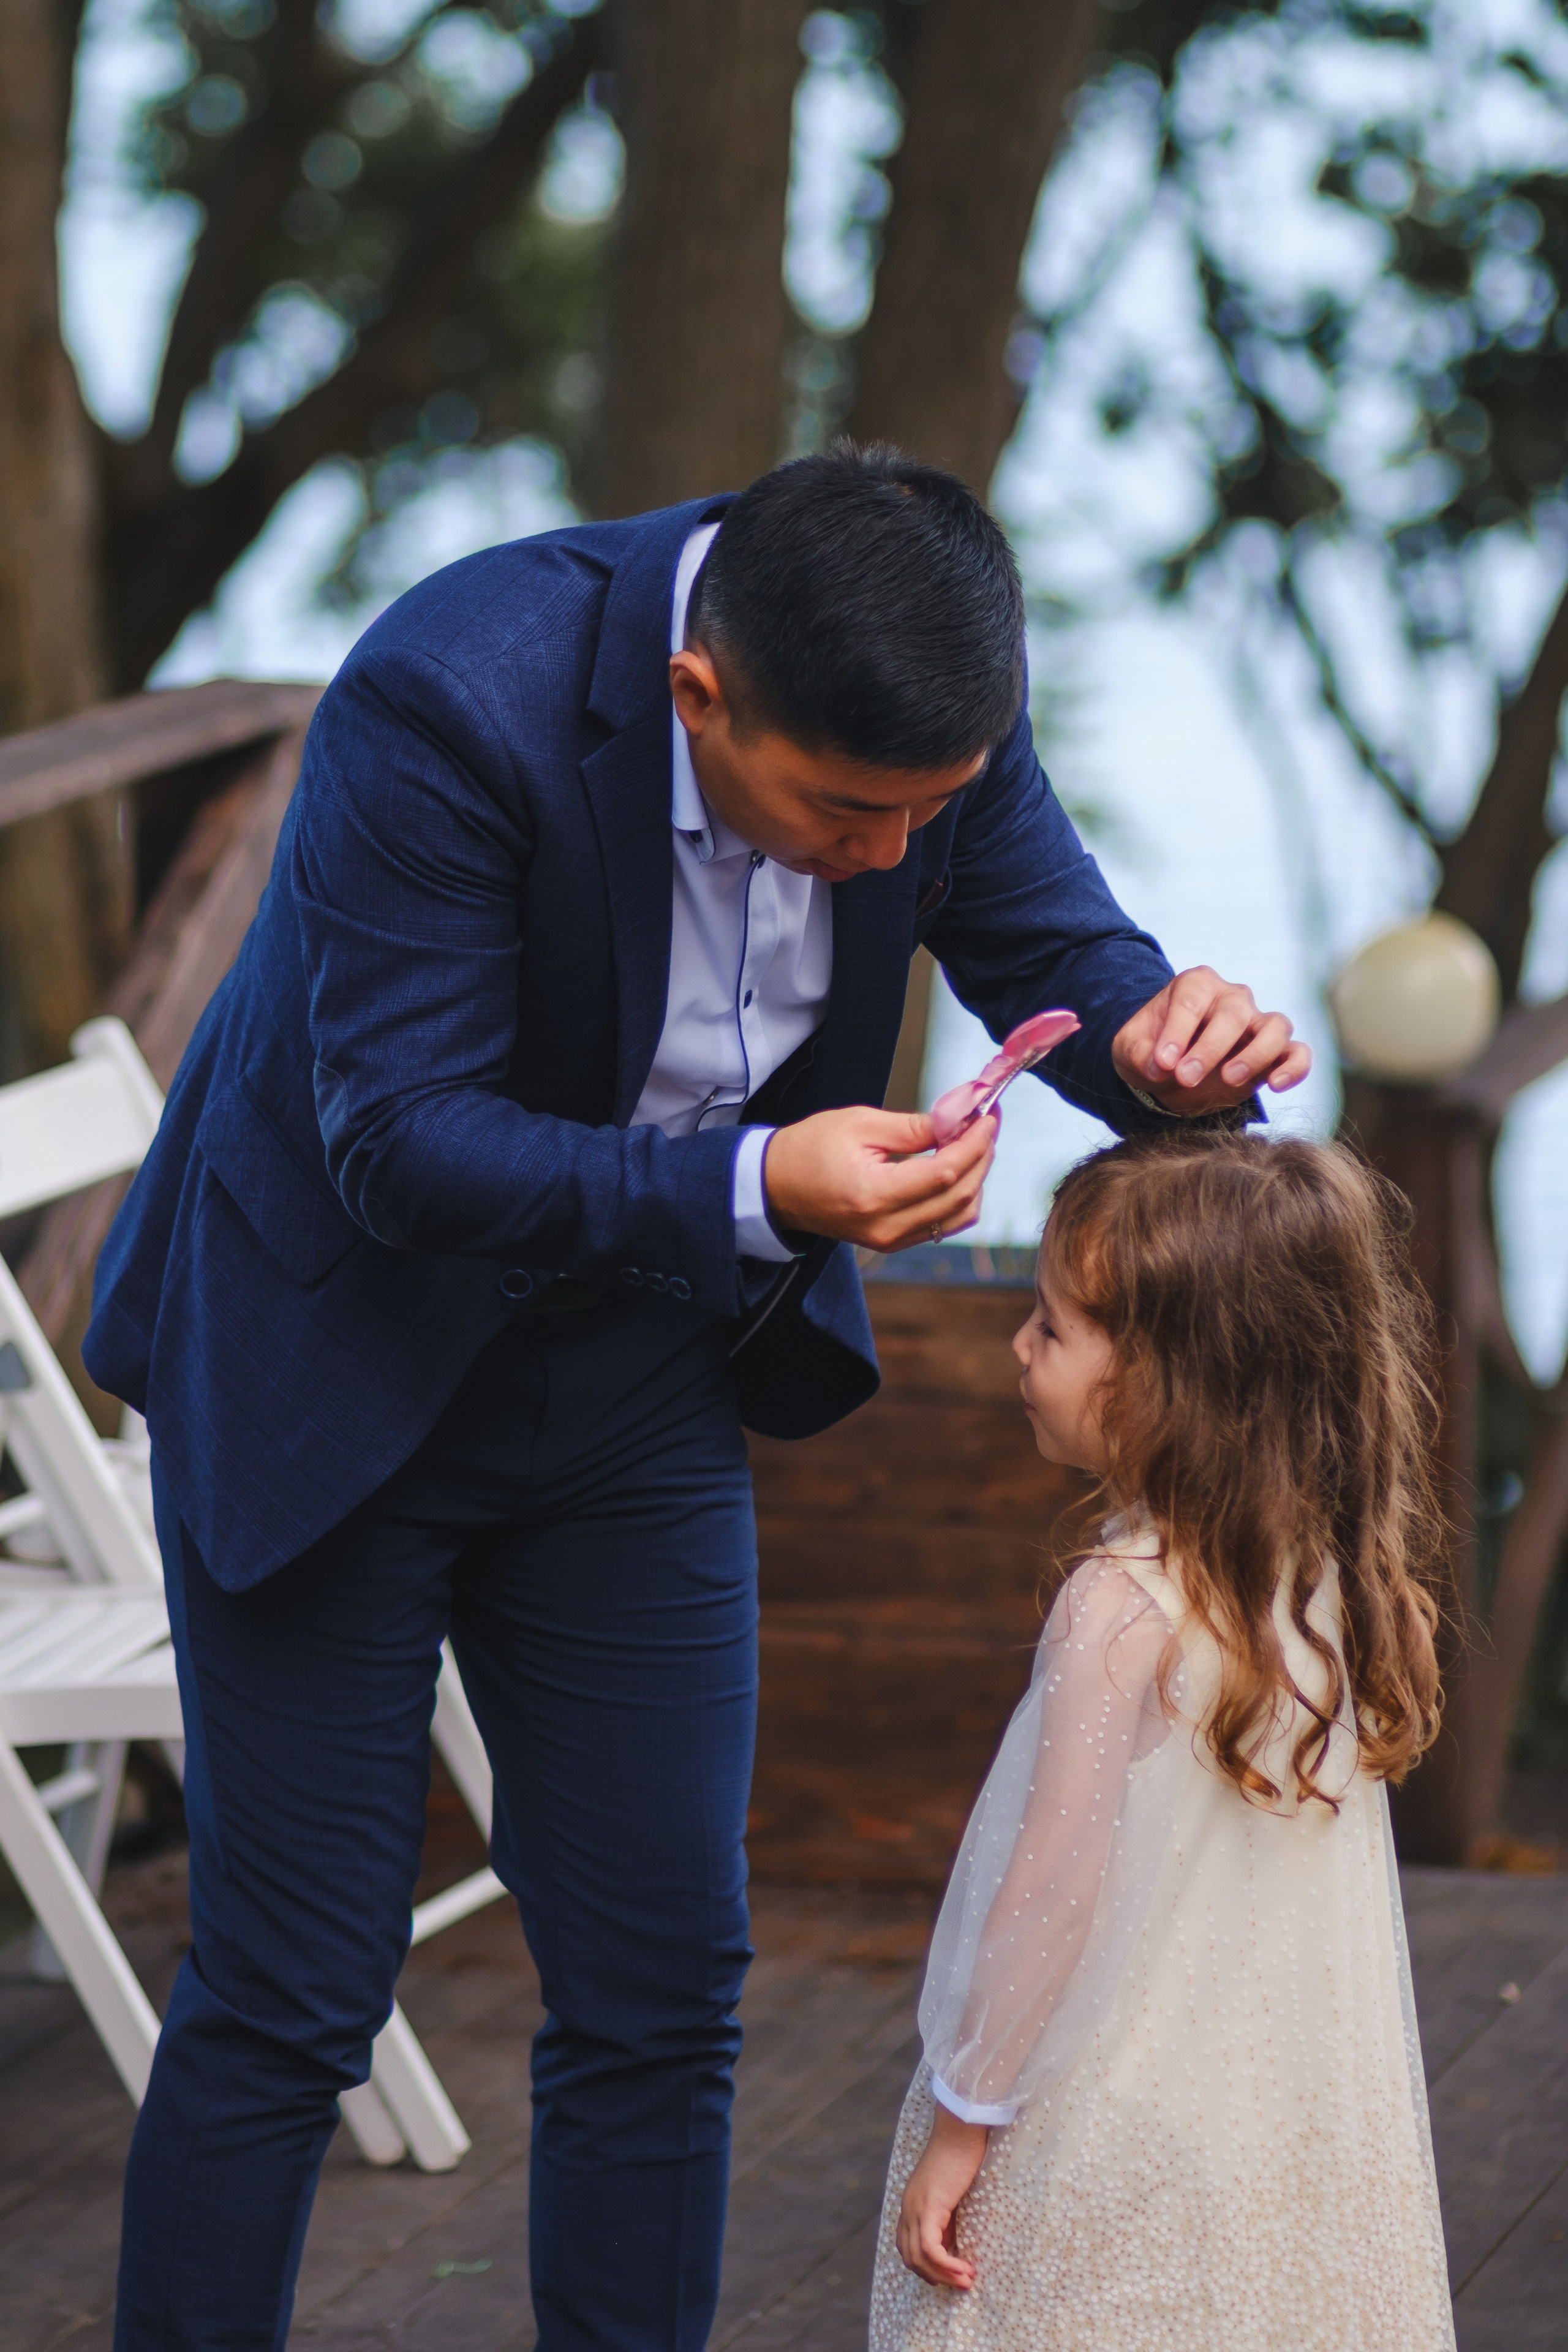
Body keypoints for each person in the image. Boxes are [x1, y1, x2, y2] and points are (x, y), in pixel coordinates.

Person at [85, 445, 1311, 2352]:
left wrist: (1163, 1037)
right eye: (845, 812)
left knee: (663, 1981)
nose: (895, 853)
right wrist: (763, 1189)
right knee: (292, 1986)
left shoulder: (916, 711)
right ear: (698, 697)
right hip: (338, 1354)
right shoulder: (445, 697)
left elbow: (1050, 947)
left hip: (638, 1378)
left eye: (938, 805)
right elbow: (397, 1141)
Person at [872, 1129, 1455, 2352]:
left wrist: (965, 2113)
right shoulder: (1326, 1574)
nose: (1017, 1351)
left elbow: (1048, 1893)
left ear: (1163, 1379)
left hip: (1114, 2127)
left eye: (1048, 1328)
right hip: (1285, 2131)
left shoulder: (1118, 1604)